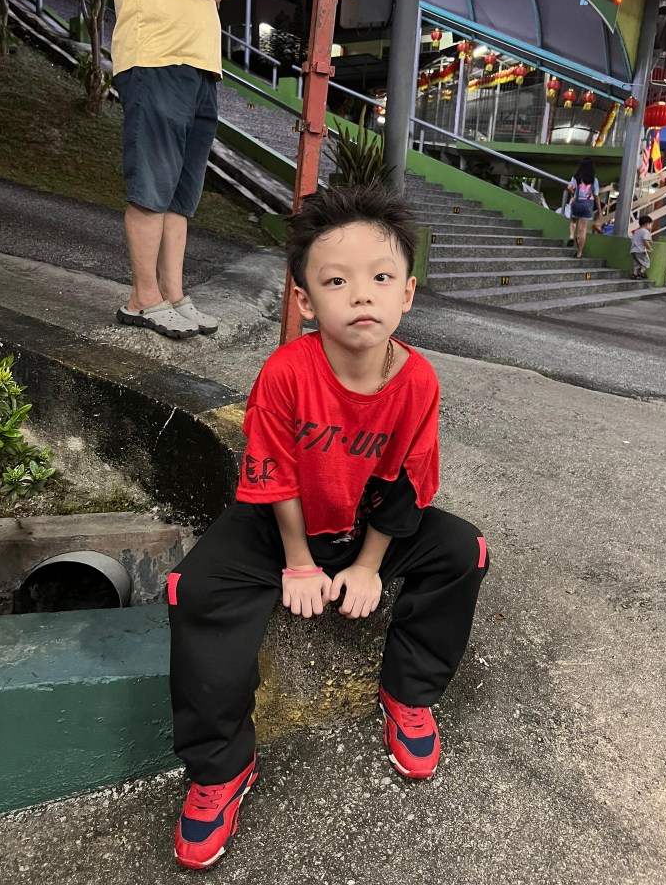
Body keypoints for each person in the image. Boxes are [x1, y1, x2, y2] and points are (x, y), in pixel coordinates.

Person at [167, 184, 490, 870]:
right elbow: (274, 475)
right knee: (196, 589)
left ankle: (409, 695)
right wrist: (298, 561)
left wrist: (369, 565)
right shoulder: (286, 373)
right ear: (307, 300)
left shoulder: (418, 382)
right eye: (337, 281)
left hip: (367, 525)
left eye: (382, 278)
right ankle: (221, 768)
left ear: (408, 293)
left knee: (463, 550)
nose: (362, 295)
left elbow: (405, 486)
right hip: (281, 524)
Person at [106, 0, 240, 339]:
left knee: (181, 194)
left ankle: (173, 295)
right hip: (156, 54)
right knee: (152, 184)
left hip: (200, 62)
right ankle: (142, 299)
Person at [566, 158, 602, 259]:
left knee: (573, 220)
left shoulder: (576, 178)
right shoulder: (594, 180)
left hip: (577, 203)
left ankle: (571, 236)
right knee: (583, 230)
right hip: (588, 206)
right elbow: (596, 196)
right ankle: (579, 253)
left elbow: (569, 187)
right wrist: (599, 210)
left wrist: (573, 195)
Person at [630, 214, 653, 279]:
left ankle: (634, 274)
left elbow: (633, 240)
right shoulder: (645, 231)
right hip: (640, 250)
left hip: (633, 251)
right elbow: (645, 240)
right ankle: (641, 272)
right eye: (650, 224)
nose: (651, 226)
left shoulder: (637, 231)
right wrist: (650, 248)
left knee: (636, 264)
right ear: (647, 224)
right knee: (646, 262)